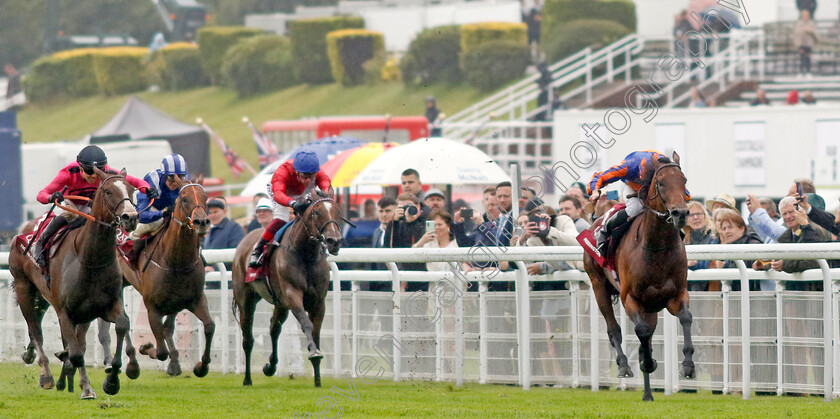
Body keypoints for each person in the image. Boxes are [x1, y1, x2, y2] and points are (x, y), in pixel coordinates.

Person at [32, 145, 153, 267]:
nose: (94, 176)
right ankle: (40, 244)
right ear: (80, 168)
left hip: (90, 205)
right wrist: (51, 197)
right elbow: (41, 195)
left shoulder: (107, 172)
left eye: (98, 171)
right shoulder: (68, 173)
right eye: (90, 171)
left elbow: (137, 182)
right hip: (70, 203)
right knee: (72, 214)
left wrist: (148, 190)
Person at [588, 150, 690, 253]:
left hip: (657, 186)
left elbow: (674, 184)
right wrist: (595, 191)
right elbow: (601, 176)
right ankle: (604, 231)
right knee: (635, 208)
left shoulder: (665, 170)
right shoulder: (629, 166)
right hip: (632, 186)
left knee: (667, 208)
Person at [248, 150, 332, 268]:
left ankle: (321, 242)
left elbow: (325, 181)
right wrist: (292, 203)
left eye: (311, 176)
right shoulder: (282, 172)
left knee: (316, 213)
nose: (308, 180)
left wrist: (325, 192)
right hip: (280, 191)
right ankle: (258, 249)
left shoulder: (317, 172)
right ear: (297, 171)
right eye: (304, 176)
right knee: (282, 217)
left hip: (301, 192)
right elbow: (278, 194)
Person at [129, 154, 190, 257]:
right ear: (163, 175)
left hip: (177, 214)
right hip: (155, 212)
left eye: (180, 177)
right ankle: (129, 251)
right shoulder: (152, 180)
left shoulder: (187, 181)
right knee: (144, 227)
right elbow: (141, 215)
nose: (175, 182)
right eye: (171, 177)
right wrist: (162, 213)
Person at [385, 193, 427, 291]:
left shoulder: (425, 222)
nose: (407, 210)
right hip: (402, 277)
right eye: (403, 207)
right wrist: (394, 222)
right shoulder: (395, 225)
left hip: (422, 276)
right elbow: (391, 248)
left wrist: (413, 222)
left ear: (418, 207)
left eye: (409, 206)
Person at [204, 198, 246, 271]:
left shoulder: (234, 228)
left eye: (215, 212)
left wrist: (215, 268)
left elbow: (238, 253)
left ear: (225, 211)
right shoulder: (210, 231)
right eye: (209, 213)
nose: (212, 216)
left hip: (228, 277)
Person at [794, 10, 818, 76]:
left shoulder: (811, 23)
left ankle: (808, 71)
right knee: (802, 57)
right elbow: (796, 34)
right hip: (801, 44)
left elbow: (815, 36)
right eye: (804, 15)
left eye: (806, 15)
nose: (805, 17)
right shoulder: (799, 24)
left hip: (809, 45)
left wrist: (810, 31)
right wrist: (804, 30)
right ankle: (801, 72)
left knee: (808, 57)